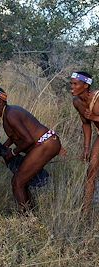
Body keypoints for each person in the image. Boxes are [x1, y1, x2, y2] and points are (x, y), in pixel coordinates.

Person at [0, 87, 61, 211]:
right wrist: (3, 148)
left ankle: (27, 219)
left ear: (0, 102)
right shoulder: (7, 114)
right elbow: (15, 136)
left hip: (45, 144)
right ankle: (30, 214)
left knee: (17, 182)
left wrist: (13, 153)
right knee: (21, 181)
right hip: (46, 143)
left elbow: (28, 140)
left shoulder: (10, 114)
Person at [70, 71, 98, 212]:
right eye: (71, 83)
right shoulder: (76, 102)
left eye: (75, 84)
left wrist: (95, 117)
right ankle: (85, 211)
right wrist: (86, 148)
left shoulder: (97, 98)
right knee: (91, 172)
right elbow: (86, 124)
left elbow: (91, 119)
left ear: (86, 85)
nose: (72, 87)